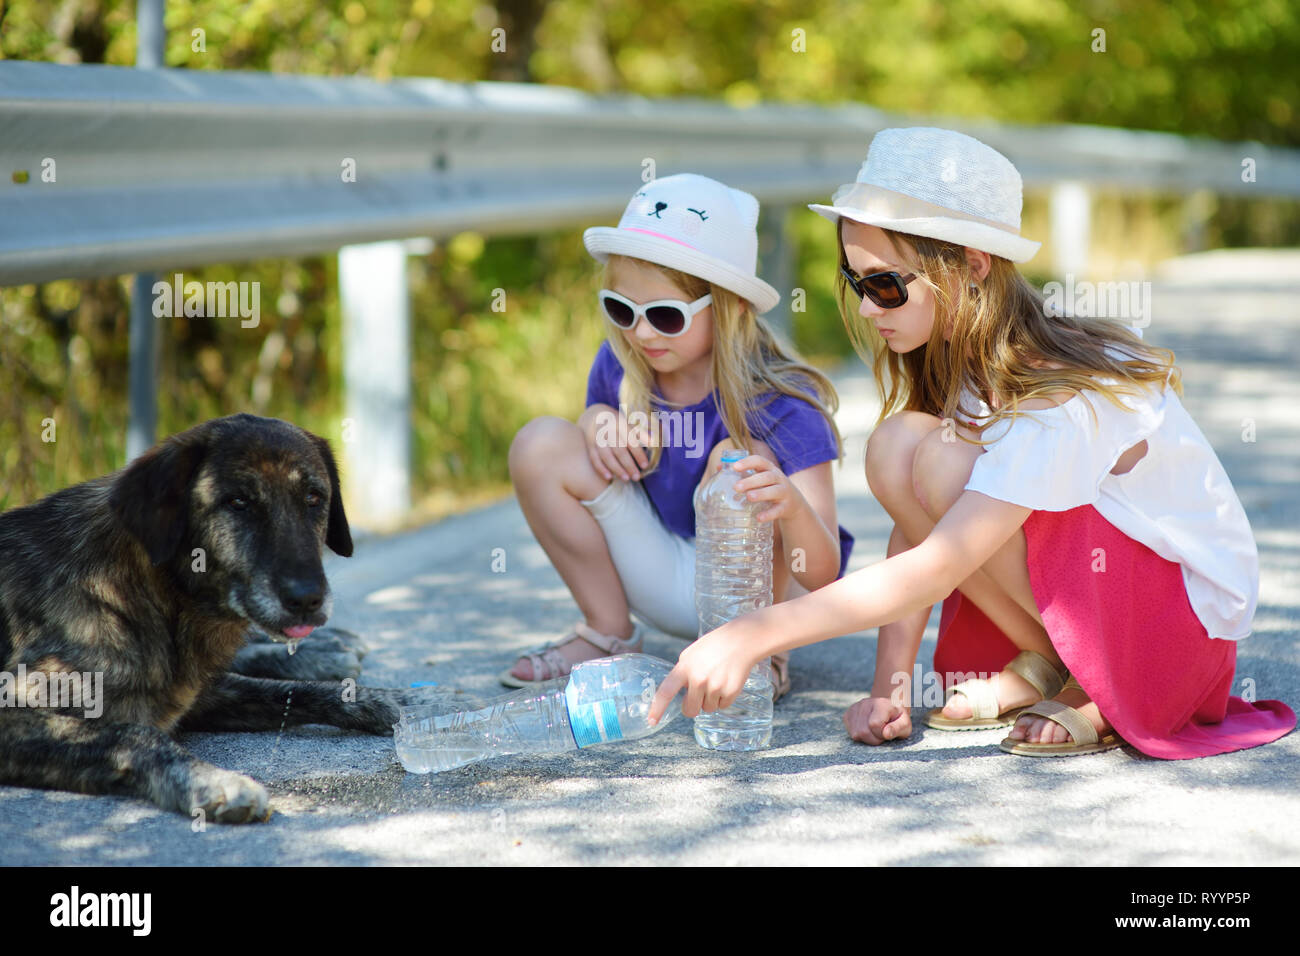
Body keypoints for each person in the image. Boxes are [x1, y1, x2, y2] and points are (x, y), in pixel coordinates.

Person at [649, 127, 1295, 759]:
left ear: (973, 266)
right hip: (1114, 612)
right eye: (855, 282)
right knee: (898, 446)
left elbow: (941, 561)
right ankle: (1052, 657)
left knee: (930, 455)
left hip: (1172, 642)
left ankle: (1095, 684)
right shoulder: (967, 373)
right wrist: (891, 687)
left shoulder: (1053, 389)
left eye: (886, 285)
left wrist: (751, 634)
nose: (870, 309)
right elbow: (917, 533)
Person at [504, 173, 855, 699]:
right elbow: (579, 446)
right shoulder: (623, 365)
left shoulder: (784, 400)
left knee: (739, 457)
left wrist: (787, 501)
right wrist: (594, 420)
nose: (640, 332)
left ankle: (761, 650)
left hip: (756, 597)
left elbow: (822, 574)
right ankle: (608, 633)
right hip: (656, 566)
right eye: (621, 309)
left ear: (732, 306)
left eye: (666, 315)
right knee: (539, 443)